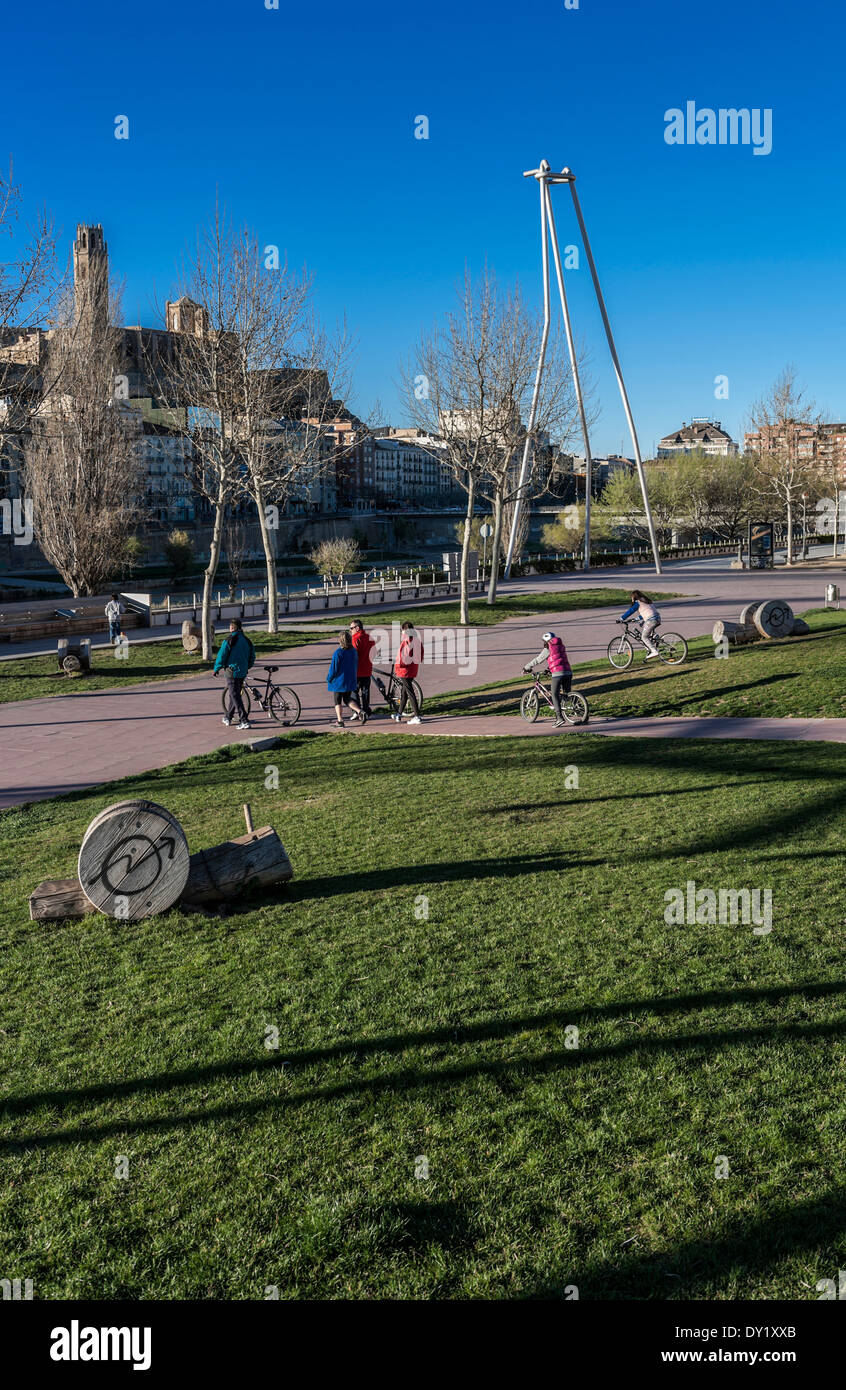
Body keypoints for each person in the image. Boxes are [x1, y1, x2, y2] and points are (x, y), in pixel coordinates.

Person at [523, 630, 573, 728]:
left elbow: (538, 660)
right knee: (567, 694)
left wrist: (526, 667)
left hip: (558, 674)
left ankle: (559, 718)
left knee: (554, 694)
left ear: (546, 641)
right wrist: (549, 669)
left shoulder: (548, 648)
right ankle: (582, 712)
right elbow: (559, 659)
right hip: (568, 672)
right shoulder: (561, 647)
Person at [214, 618, 256, 730]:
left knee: (235, 695)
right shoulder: (247, 640)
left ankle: (244, 720)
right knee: (234, 694)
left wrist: (216, 668)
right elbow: (252, 656)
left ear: (232, 627)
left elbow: (222, 655)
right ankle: (228, 717)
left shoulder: (229, 640)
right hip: (242, 671)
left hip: (231, 671)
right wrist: (247, 666)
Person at [327, 631, 367, 728]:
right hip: (350, 680)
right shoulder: (353, 651)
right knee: (347, 699)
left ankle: (340, 720)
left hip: (339, 681)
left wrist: (329, 678)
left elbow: (334, 668)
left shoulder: (338, 653)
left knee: (337, 700)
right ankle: (360, 711)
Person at [392, 620, 423, 725]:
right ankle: (399, 714)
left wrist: (397, 667)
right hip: (413, 669)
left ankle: (417, 716)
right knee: (404, 693)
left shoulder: (406, 641)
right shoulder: (417, 641)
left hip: (404, 671)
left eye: (402, 631)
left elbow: (403, 659)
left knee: (410, 693)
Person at [620, 589, 661, 658]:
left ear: (634, 597)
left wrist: (621, 618)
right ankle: (653, 638)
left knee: (644, 637)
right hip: (657, 618)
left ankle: (654, 651)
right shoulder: (646, 601)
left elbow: (630, 611)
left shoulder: (638, 603)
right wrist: (637, 619)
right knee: (642, 624)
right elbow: (646, 612)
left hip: (651, 620)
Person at [350, 618, 375, 715]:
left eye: (351, 628)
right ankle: (366, 710)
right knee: (365, 691)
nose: (350, 630)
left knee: (354, 691)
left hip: (357, 670)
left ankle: (357, 711)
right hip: (367, 669)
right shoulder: (369, 638)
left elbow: (353, 655)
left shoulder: (355, 639)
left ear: (357, 628)